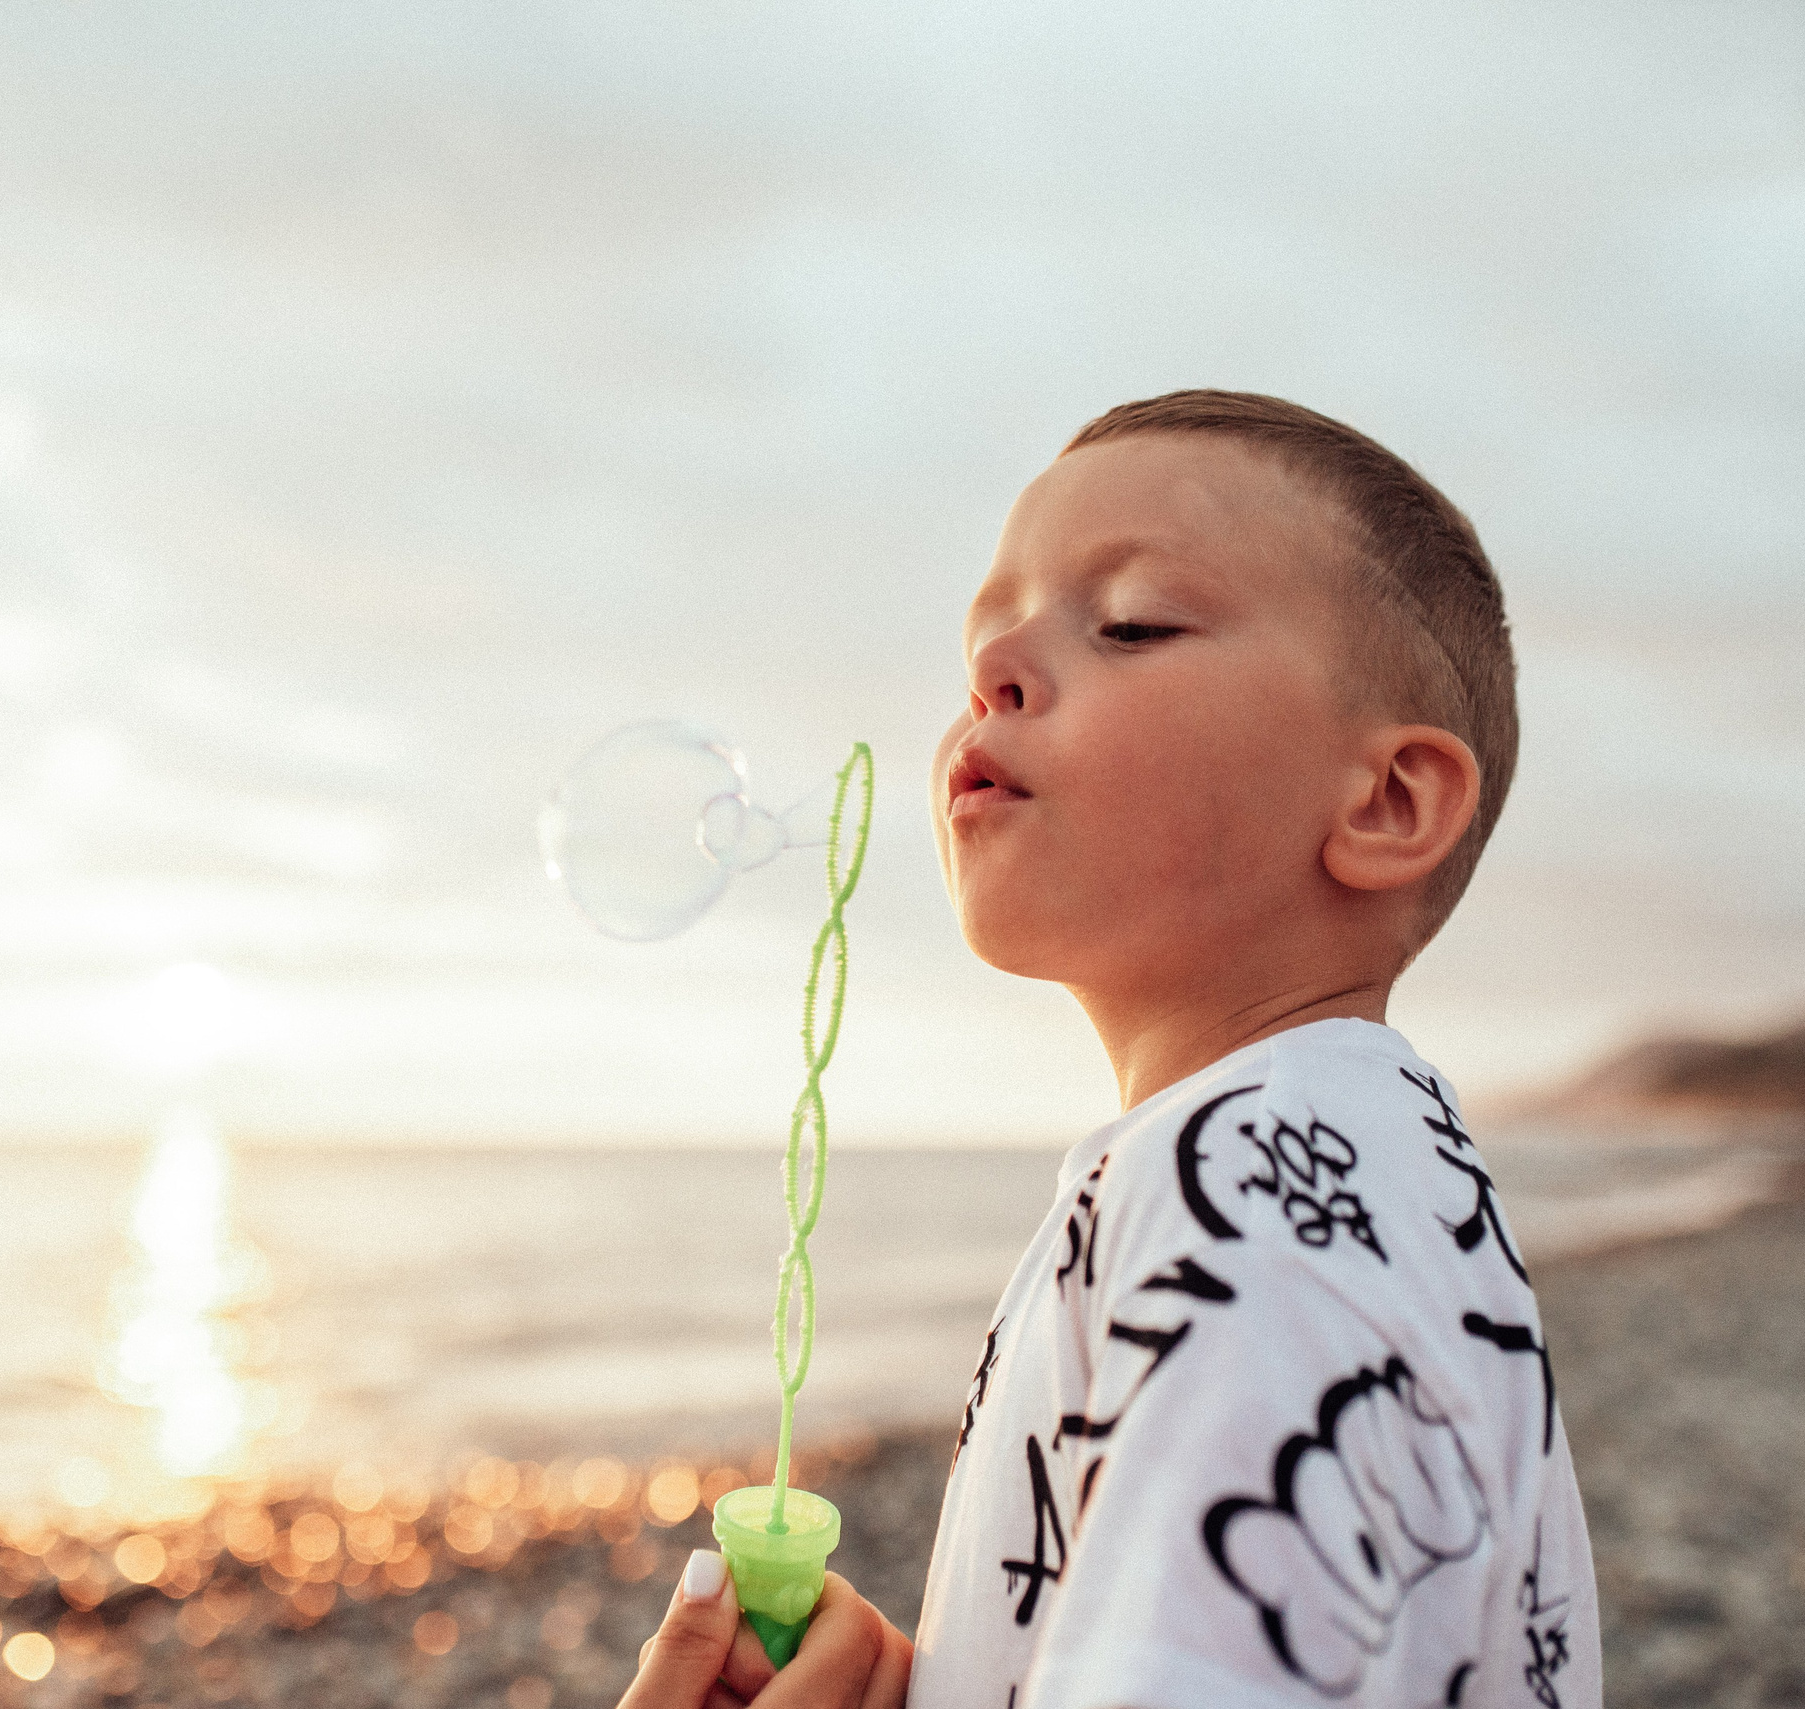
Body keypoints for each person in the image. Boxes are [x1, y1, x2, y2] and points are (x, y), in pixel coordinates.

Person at [616, 390, 1601, 1709]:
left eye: (1131, 619)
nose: (995, 666)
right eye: (986, 634)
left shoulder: (1248, 1203)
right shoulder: (1339, 1168)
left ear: (1384, 800)